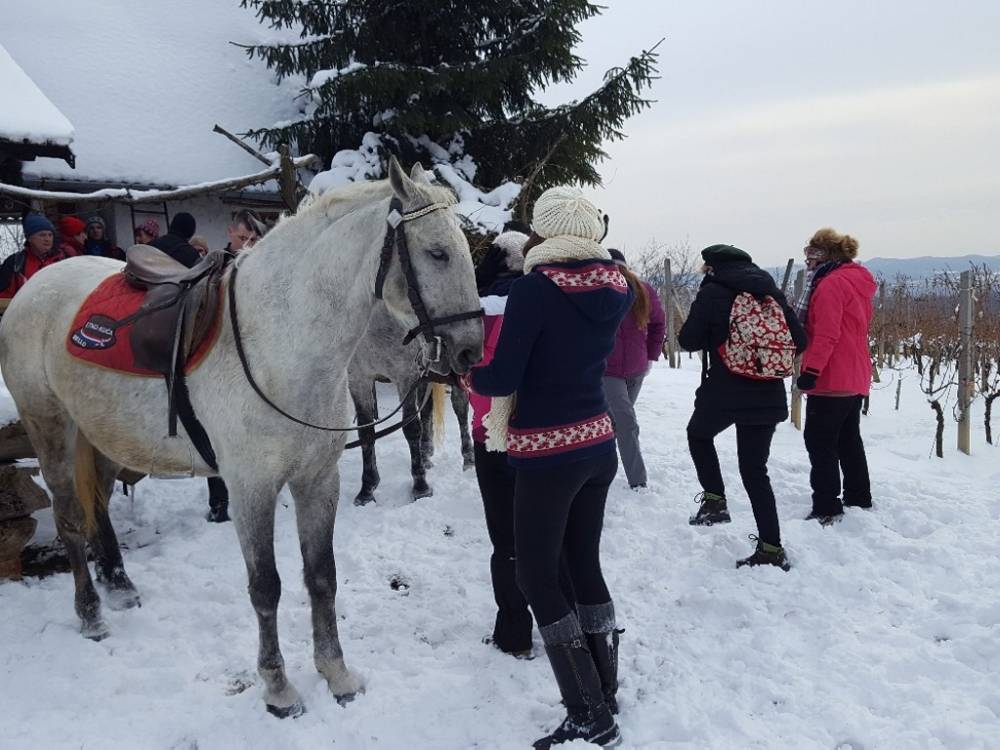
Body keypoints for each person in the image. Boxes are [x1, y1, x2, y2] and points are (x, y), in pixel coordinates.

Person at [470, 187, 630, 748]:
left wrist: (468, 370)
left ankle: (588, 712)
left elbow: (503, 377)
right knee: (583, 562)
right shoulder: (616, 284)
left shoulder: (536, 290)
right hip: (597, 443)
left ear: (544, 230)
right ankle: (605, 689)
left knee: (536, 574)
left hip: (546, 451)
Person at [678, 244, 807, 570]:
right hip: (767, 391)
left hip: (724, 389)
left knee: (698, 435)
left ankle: (715, 503)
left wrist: (716, 335)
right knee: (754, 470)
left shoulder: (712, 293)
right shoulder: (771, 294)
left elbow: (688, 340)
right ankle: (771, 548)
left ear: (711, 267)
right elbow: (800, 340)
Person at [469, 228, 534, 658]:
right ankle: (557, 616)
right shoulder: (541, 301)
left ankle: (513, 631)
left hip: (489, 432)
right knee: (546, 533)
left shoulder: (476, 311)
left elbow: (468, 367)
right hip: (540, 434)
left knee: (505, 541)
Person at [796, 228, 877, 524]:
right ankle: (859, 496)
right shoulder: (857, 280)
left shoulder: (829, 285)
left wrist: (812, 371)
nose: (809, 260)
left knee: (819, 440)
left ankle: (826, 505)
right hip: (855, 373)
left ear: (829, 255)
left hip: (831, 375)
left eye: (813, 254)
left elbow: (827, 334)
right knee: (848, 438)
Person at [603, 248, 665, 490]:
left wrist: (651, 356)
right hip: (607, 370)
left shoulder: (643, 290)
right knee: (626, 421)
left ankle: (599, 468)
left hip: (637, 368)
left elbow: (659, 323)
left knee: (613, 422)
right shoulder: (599, 290)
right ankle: (638, 481)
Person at [1, 214, 78, 309]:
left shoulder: (64, 260)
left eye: (50, 235)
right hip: (23, 316)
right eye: (42, 235)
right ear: (29, 238)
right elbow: (3, 296)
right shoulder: (15, 263)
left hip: (59, 316)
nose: (47, 239)